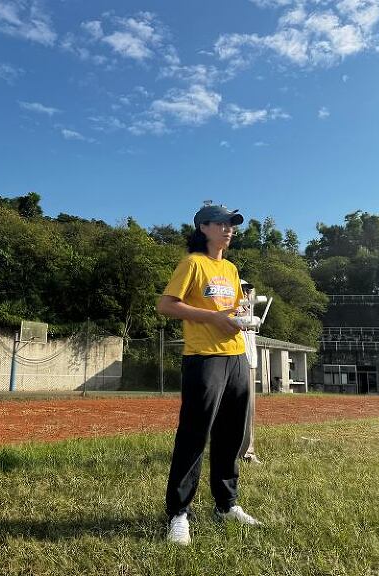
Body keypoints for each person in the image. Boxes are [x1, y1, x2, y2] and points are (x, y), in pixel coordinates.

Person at [157, 203, 261, 546]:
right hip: (204, 357)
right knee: (194, 434)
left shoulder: (230, 268)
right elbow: (166, 305)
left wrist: (240, 315)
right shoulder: (192, 263)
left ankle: (226, 504)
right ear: (203, 227)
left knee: (231, 434)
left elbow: (231, 308)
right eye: (221, 223)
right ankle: (178, 513)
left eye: (232, 224)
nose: (229, 229)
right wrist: (212, 318)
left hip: (235, 355)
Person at [238, 280, 263, 465]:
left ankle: (247, 452)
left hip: (248, 362)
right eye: (243, 290)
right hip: (227, 359)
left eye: (248, 291)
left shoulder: (248, 309)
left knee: (247, 409)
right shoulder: (227, 306)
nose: (246, 294)